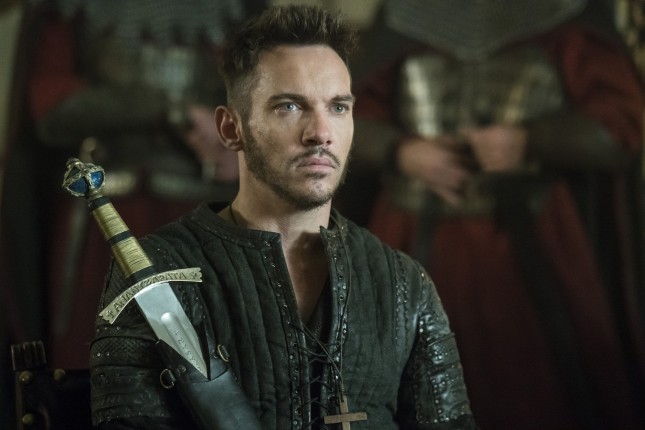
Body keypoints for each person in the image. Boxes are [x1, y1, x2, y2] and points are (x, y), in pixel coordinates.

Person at [88, 5, 477, 430]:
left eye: (338, 107)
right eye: (289, 106)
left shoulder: (403, 284)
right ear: (231, 128)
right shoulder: (153, 275)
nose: (320, 133)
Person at [346, 0, 645, 429]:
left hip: (534, 242)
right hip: (411, 237)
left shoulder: (564, 14)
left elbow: (620, 126)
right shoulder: (405, 14)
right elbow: (344, 118)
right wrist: (401, 151)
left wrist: (531, 141)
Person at [0, 0, 265, 370]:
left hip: (210, 221)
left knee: (215, 371)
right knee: (96, 369)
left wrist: (244, 142)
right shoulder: (72, 9)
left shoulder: (237, 8)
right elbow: (53, 107)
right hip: (106, 220)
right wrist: (174, 112)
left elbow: (264, 90)